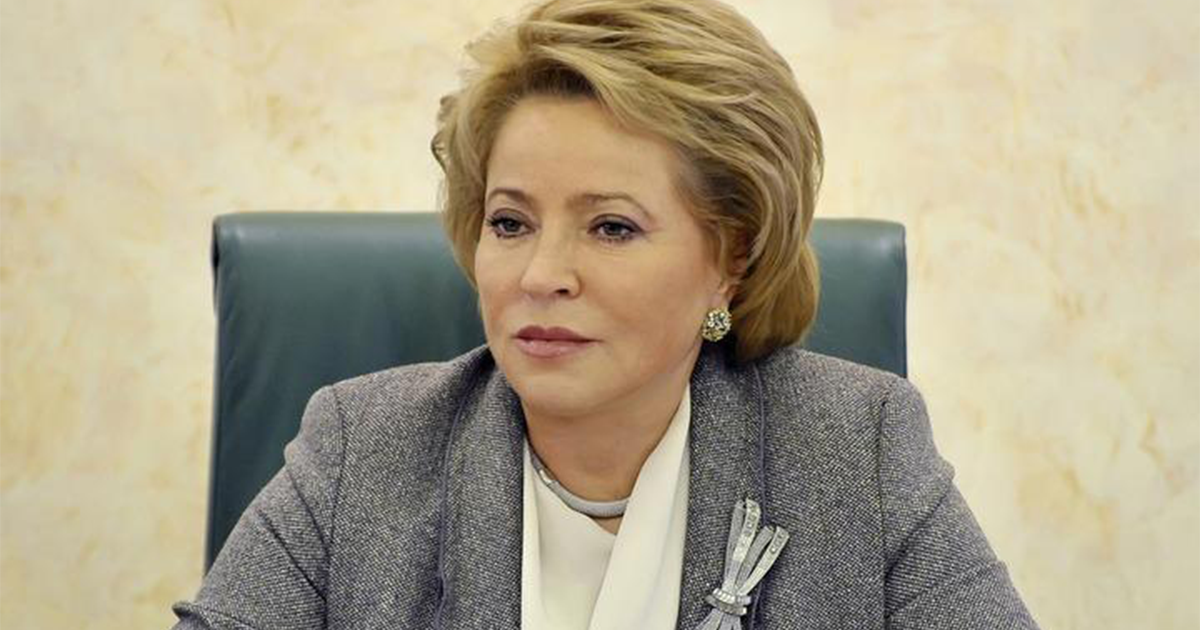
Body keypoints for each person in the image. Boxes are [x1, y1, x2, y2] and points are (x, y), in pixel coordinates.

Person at [172, 0, 1039, 628]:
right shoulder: (361, 450)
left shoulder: (858, 448)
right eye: (510, 223)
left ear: (731, 261)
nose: (541, 275)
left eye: (612, 227)